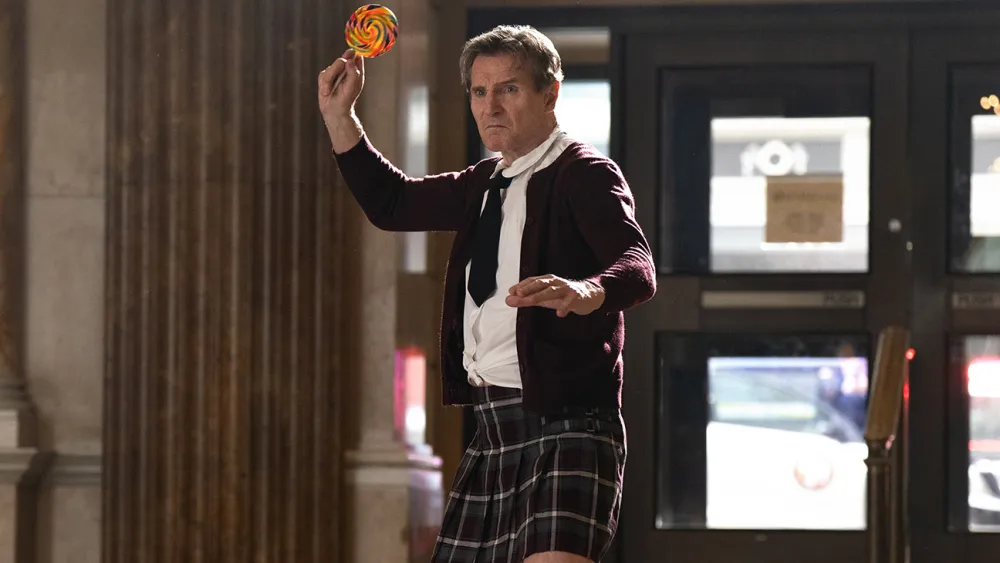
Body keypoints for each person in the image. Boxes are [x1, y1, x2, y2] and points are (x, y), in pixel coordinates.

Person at [318, 25, 656, 563]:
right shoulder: (481, 183)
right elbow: (392, 203)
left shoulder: (584, 173)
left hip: (571, 422)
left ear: (550, 93)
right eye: (479, 91)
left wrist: (587, 290)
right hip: (492, 425)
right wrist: (342, 118)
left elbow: (637, 265)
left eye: (509, 89)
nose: (490, 105)